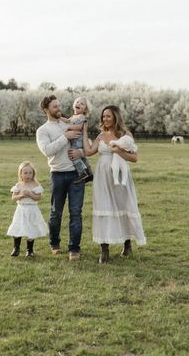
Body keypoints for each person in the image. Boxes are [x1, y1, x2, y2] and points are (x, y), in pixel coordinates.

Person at [83, 105, 146, 263]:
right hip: (102, 177)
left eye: (108, 116)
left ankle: (127, 243)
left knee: (122, 206)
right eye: (103, 116)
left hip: (120, 176)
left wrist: (118, 151)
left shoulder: (125, 135)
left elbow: (135, 158)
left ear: (115, 117)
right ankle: (104, 249)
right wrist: (83, 132)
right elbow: (89, 151)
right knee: (104, 207)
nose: (105, 119)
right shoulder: (101, 135)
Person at [36, 95, 86, 261]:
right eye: (55, 107)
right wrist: (66, 137)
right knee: (56, 212)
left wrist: (81, 152)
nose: (59, 109)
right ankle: (54, 243)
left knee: (76, 212)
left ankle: (74, 248)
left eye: (59, 105)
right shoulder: (42, 130)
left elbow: (86, 143)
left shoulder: (70, 123)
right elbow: (47, 150)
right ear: (46, 110)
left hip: (76, 174)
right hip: (57, 174)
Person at [7, 161, 48, 257]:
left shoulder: (35, 185)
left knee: (31, 228)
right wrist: (21, 195)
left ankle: (29, 250)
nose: (28, 175)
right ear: (20, 174)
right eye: (25, 173)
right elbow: (13, 198)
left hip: (32, 210)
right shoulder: (18, 185)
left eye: (30, 173)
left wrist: (30, 194)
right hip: (21, 210)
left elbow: (38, 197)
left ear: (33, 173)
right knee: (18, 227)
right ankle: (16, 248)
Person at [60, 96, 94, 184]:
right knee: (82, 158)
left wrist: (67, 127)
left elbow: (79, 127)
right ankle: (89, 173)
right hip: (76, 140)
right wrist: (59, 118)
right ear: (74, 104)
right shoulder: (73, 117)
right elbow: (67, 121)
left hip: (78, 140)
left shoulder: (81, 116)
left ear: (85, 109)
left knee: (73, 156)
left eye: (82, 104)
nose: (79, 104)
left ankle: (82, 172)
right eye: (77, 102)